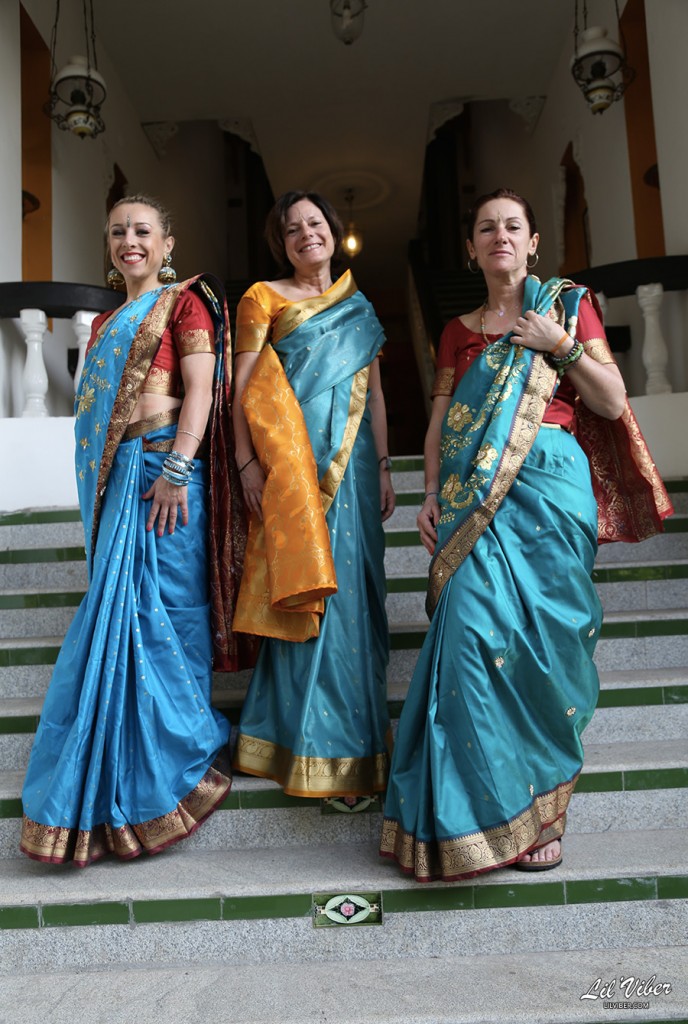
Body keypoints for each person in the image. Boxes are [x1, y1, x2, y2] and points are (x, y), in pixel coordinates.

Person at [380, 188, 673, 881]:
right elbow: (442, 423)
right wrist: (431, 494)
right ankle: (474, 816)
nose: (500, 236)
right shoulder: (456, 332)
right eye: (486, 228)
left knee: (544, 649)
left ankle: (542, 815)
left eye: (513, 226)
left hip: (551, 488)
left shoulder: (567, 306)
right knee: (468, 637)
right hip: (471, 500)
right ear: (471, 248)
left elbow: (611, 400)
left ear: (534, 242)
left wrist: (560, 346)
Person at [20, 194, 245, 866]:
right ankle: (116, 768)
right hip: (120, 480)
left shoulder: (185, 303)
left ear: (167, 243)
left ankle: (178, 752)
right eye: (118, 231)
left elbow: (202, 389)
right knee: (120, 619)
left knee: (172, 609)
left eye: (143, 230)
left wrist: (178, 467)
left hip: (169, 475)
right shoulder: (106, 322)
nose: (129, 241)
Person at [231, 190, 395, 806]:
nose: (307, 235)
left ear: (333, 230)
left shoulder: (358, 305)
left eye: (315, 223)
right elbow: (242, 388)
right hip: (294, 474)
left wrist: (384, 466)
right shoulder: (262, 298)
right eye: (292, 229)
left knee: (355, 601)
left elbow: (373, 394)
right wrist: (247, 461)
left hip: (355, 469)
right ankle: (301, 745)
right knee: (308, 597)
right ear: (282, 243)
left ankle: (356, 747)